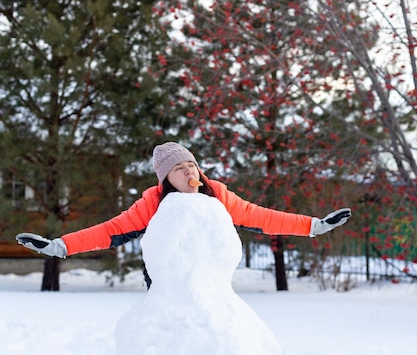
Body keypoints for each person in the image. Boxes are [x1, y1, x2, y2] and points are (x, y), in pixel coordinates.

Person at [16, 142, 352, 286]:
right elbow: (109, 230)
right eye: (179, 167)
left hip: (207, 280)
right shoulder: (153, 202)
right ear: (166, 179)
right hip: (165, 283)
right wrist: (59, 246)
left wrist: (314, 226)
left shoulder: (216, 194)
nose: (188, 170)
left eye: (191, 163)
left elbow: (262, 216)